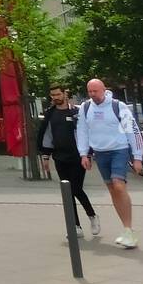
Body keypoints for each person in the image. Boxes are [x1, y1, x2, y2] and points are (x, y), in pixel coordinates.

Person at [75, 78, 143, 248]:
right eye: (90, 92)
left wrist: (137, 157)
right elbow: (82, 131)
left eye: (95, 91)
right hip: (100, 153)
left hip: (119, 150)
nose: (93, 95)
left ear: (103, 89)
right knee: (113, 190)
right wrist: (84, 154)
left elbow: (132, 130)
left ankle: (129, 229)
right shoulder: (85, 108)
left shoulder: (118, 106)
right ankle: (126, 230)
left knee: (119, 185)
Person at [37, 86, 99, 238]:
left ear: (65, 94)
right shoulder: (50, 114)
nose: (55, 97)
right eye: (52, 95)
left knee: (76, 189)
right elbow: (47, 136)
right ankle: (75, 226)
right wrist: (45, 157)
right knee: (67, 192)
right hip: (59, 158)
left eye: (58, 94)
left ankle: (92, 216)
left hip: (78, 157)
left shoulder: (77, 112)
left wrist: (88, 154)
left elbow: (88, 132)